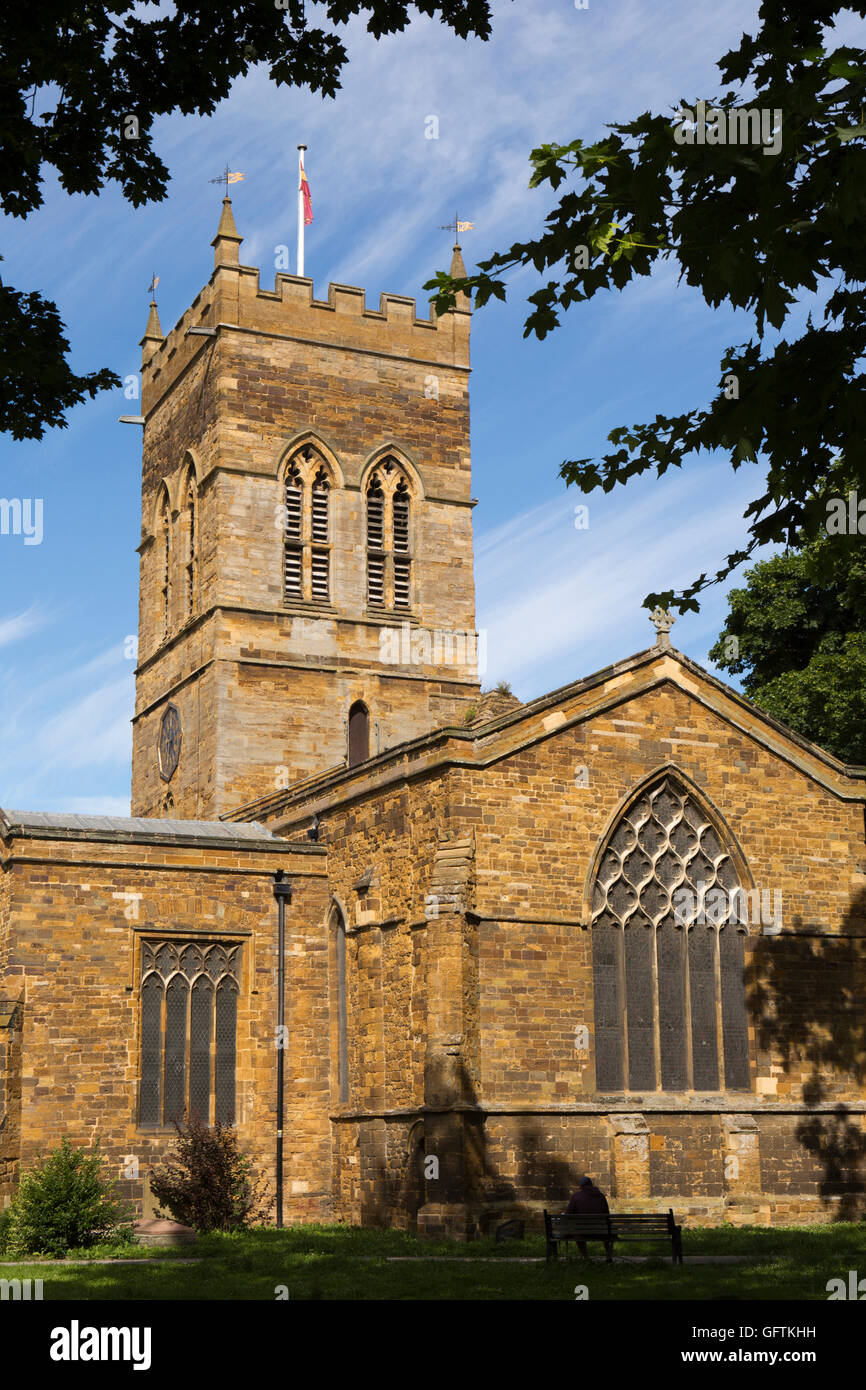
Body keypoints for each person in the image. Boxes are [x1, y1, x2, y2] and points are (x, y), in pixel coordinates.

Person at [565, 1176, 614, 1261]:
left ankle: (586, 1257)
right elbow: (606, 1214)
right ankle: (608, 1257)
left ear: (581, 1187)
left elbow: (568, 1214)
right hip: (601, 1232)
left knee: (577, 1233)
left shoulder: (576, 1196)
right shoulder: (601, 1196)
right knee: (609, 1232)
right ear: (591, 1185)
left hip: (582, 1232)